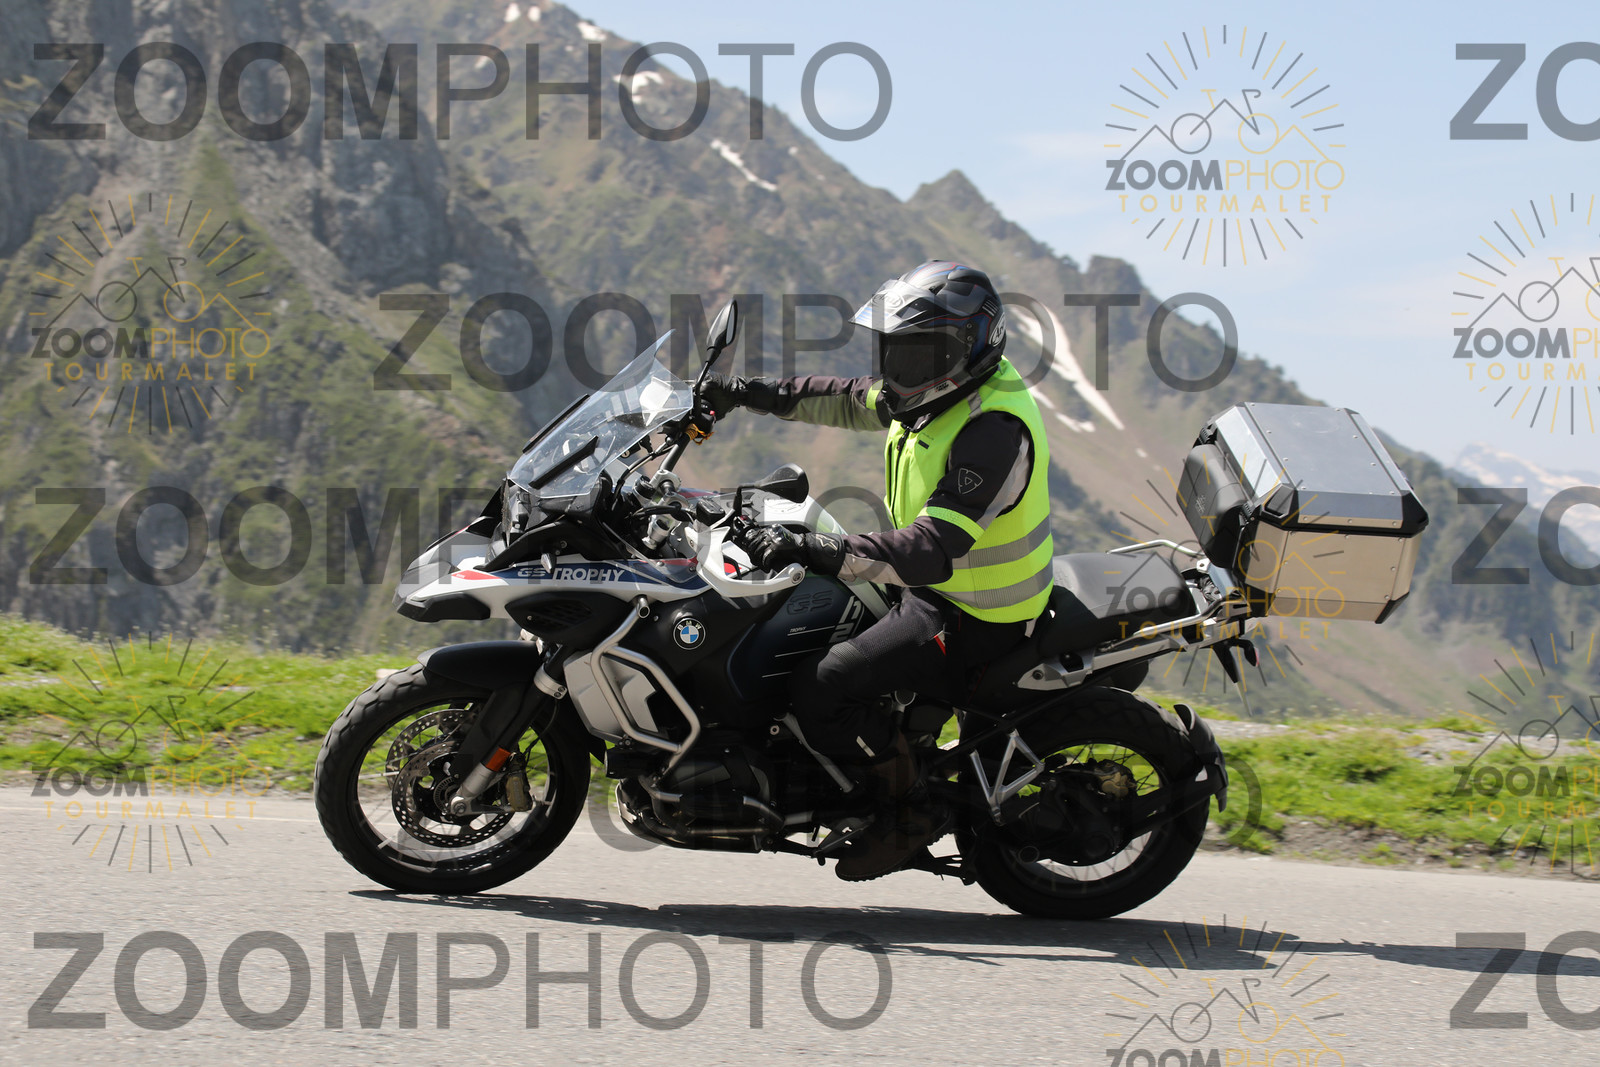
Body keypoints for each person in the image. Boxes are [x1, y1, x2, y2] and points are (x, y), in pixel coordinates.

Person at [702, 260, 1054, 880]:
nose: (898, 369)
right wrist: (743, 393)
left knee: (826, 683)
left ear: (969, 347)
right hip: (934, 585)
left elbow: (932, 548)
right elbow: (841, 397)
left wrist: (820, 549)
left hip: (975, 611)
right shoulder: (925, 395)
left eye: (918, 354)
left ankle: (911, 812)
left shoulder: (993, 430)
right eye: (895, 351)